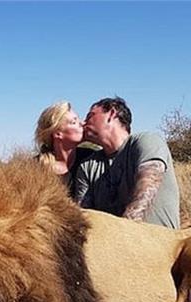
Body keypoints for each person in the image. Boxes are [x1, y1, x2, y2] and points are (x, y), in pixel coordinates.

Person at [76, 97, 180, 229]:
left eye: (90, 116)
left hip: (159, 244)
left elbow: (147, 187)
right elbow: (84, 216)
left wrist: (123, 235)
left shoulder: (146, 141)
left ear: (112, 114)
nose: (83, 123)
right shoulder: (87, 166)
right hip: (114, 245)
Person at [34, 101, 94, 200]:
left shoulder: (90, 157)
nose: (82, 124)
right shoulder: (36, 167)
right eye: (74, 122)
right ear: (58, 134)